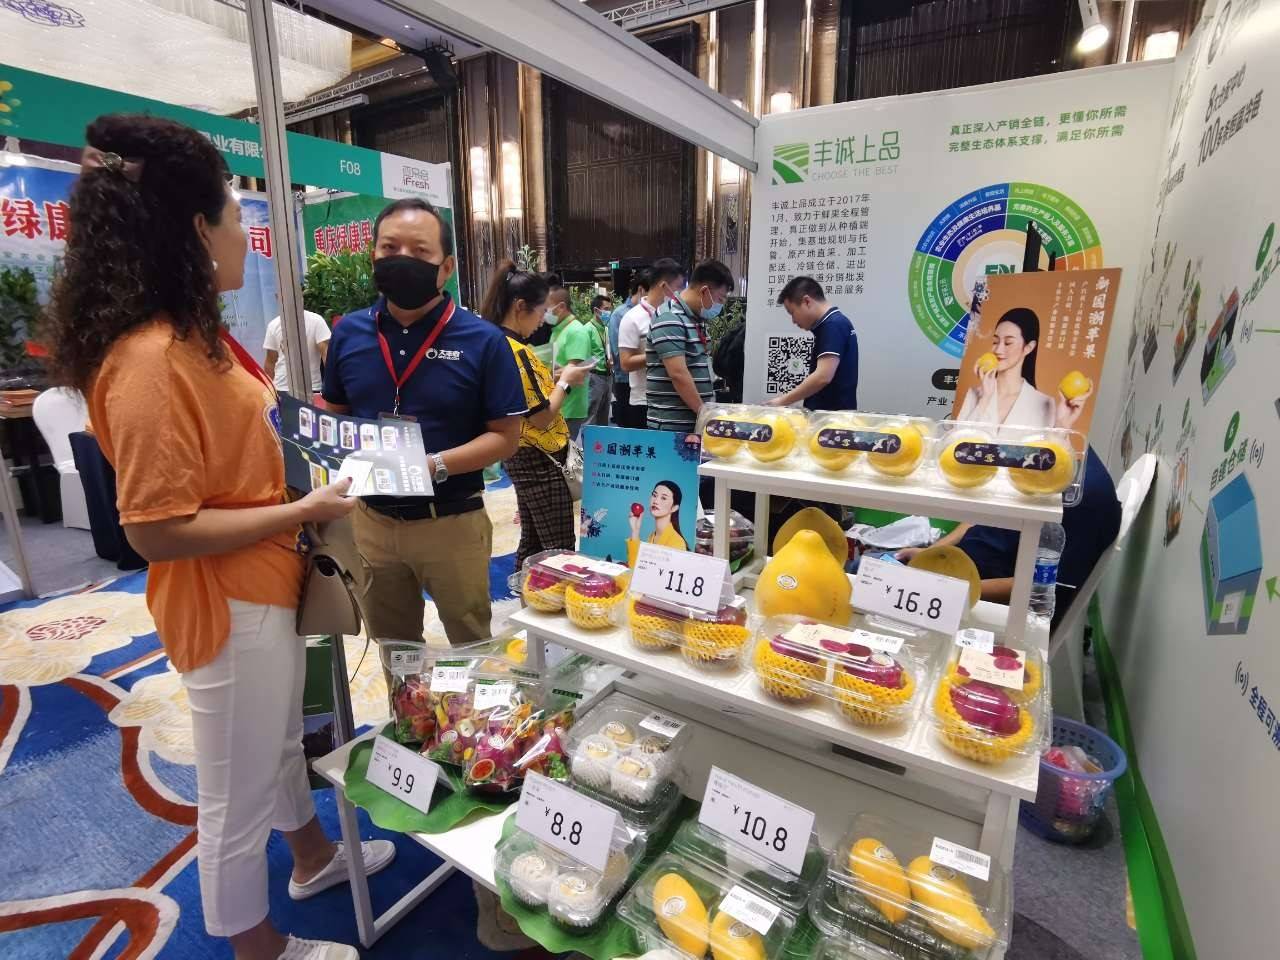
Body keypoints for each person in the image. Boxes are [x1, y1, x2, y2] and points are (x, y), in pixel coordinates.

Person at [47, 114, 382, 960]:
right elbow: (156, 530)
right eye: (237, 218)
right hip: (226, 601)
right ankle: (258, 948)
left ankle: (311, 858)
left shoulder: (192, 339)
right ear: (199, 230)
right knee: (236, 792)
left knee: (277, 745)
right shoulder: (151, 360)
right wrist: (298, 514)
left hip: (260, 585)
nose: (246, 236)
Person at [322, 198, 526, 646]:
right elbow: (335, 415)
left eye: (420, 251)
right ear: (373, 256)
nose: (402, 259)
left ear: (446, 266)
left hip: (450, 522)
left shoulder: (483, 341)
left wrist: (431, 465)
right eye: (389, 248)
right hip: (372, 521)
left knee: (470, 643)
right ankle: (405, 697)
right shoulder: (349, 333)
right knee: (394, 646)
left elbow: (506, 438)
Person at [896, 447, 1119, 629]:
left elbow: (1043, 587)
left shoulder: (1085, 496)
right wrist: (932, 553)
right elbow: (979, 517)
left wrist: (952, 591)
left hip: (985, 603)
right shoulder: (1041, 456)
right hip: (956, 571)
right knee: (884, 567)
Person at [482, 261, 590, 567]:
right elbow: (541, 418)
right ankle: (546, 595)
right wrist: (565, 382)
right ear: (520, 307)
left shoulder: (496, 343)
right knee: (558, 549)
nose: (543, 320)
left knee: (533, 543)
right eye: (541, 311)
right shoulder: (516, 350)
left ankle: (523, 594)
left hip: (520, 453)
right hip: (540, 457)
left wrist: (553, 379)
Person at [956, 307, 1092, 430]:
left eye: (1008, 343)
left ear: (1028, 347)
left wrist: (1062, 426)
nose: (998, 350)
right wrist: (985, 399)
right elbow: (953, 443)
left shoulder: (1044, 403)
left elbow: (1051, 449)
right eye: (995, 342)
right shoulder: (974, 394)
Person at [647, 258, 734, 432]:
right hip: (672, 425)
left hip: (693, 421)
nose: (721, 306)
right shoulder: (670, 317)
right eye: (720, 299)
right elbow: (678, 374)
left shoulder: (695, 318)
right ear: (704, 291)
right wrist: (704, 414)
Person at [767, 276, 858, 410]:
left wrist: (782, 401)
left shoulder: (832, 324)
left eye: (792, 312)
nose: (793, 320)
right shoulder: (833, 323)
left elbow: (823, 376)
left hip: (831, 416)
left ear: (807, 301)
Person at [619, 258, 683, 429]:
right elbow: (625, 363)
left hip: (675, 400)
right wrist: (662, 353)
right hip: (644, 402)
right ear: (664, 286)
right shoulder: (632, 318)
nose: (681, 294)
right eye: (678, 288)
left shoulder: (676, 315)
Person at [551, 294, 604, 442]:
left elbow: (575, 373)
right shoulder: (559, 330)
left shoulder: (576, 331)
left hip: (568, 407)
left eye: (546, 308)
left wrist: (545, 373)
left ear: (561, 307)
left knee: (565, 451)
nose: (543, 313)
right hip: (559, 403)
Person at [609, 268, 650, 420]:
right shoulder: (621, 314)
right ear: (641, 290)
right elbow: (619, 356)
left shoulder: (653, 313)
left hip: (646, 384)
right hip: (626, 382)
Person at [262, 309, 330, 398]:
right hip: (281, 388)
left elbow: (327, 356)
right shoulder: (274, 325)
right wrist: (268, 389)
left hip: (311, 388)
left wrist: (331, 388)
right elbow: (270, 361)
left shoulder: (316, 321)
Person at [626, 479, 689, 566]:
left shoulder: (677, 543)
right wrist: (635, 531)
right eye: (654, 495)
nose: (656, 501)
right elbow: (637, 567)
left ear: (674, 508)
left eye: (663, 498)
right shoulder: (652, 536)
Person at [586, 294, 614, 426]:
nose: (609, 313)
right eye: (606, 309)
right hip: (594, 377)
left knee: (604, 417)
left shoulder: (606, 329)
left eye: (610, 309)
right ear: (596, 310)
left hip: (608, 376)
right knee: (591, 416)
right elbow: (582, 358)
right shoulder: (587, 330)